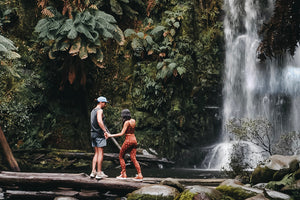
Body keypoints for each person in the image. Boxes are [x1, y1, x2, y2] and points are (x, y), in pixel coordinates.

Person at [106, 109, 143, 181]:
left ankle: (123, 174)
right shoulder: (133, 120)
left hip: (128, 140)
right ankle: (140, 175)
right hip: (134, 140)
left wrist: (110, 135)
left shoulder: (126, 122)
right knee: (133, 158)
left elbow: (121, 133)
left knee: (121, 156)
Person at [90, 96, 109, 180]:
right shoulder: (100, 110)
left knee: (96, 153)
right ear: (101, 102)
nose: (105, 105)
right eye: (105, 103)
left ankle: (93, 171)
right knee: (101, 153)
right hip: (99, 134)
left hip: (93, 134)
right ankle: (99, 172)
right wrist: (105, 131)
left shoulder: (92, 111)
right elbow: (99, 121)